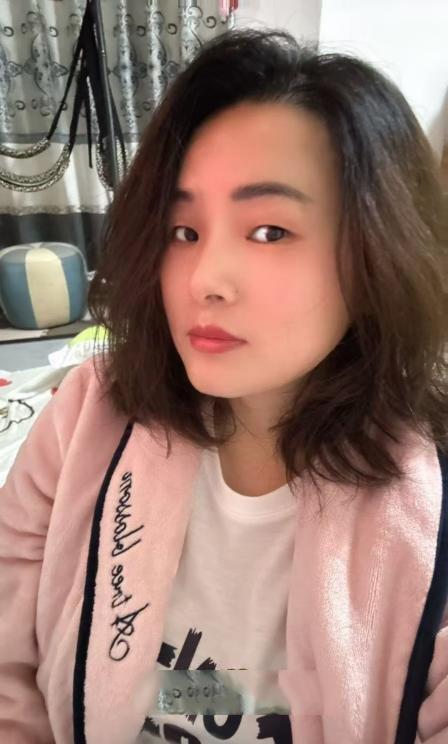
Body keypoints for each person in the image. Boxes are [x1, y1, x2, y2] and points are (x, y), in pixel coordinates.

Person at [0, 26, 447, 744]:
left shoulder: (432, 494)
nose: (203, 280)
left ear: (377, 250)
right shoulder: (90, 412)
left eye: (269, 231)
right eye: (183, 231)